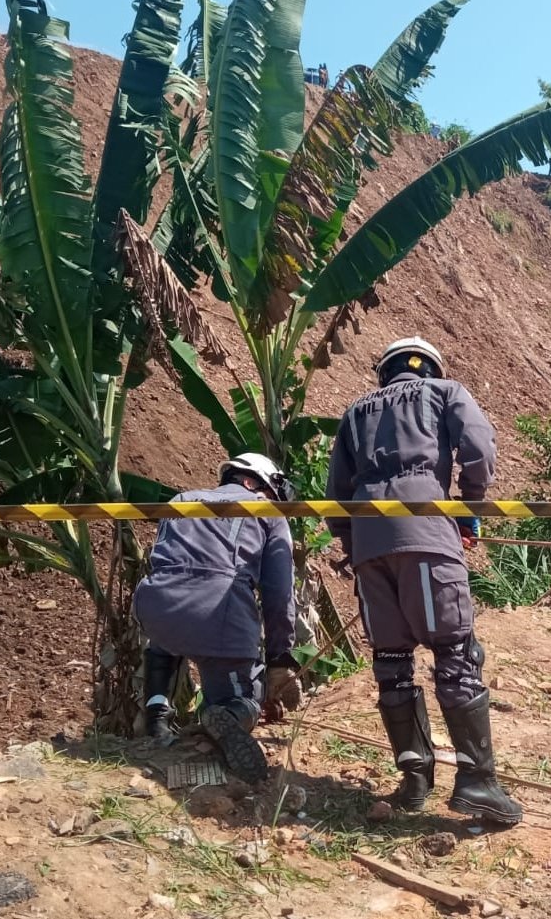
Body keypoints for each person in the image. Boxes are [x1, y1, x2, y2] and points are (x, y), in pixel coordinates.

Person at [326, 336, 522, 825]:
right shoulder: (445, 392)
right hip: (427, 533)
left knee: (390, 660)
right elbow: (477, 446)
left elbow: (336, 493)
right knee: (455, 653)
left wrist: (358, 547)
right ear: (429, 367)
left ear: (385, 371)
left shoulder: (354, 413)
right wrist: (468, 508)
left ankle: (414, 781)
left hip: (370, 545)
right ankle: (477, 783)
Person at [132, 453, 300, 782]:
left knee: (166, 640)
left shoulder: (181, 499)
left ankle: (155, 715)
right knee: (241, 699)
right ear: (255, 483)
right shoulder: (267, 511)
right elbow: (278, 592)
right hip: (217, 614)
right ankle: (227, 712)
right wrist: (281, 657)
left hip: (155, 605)